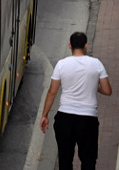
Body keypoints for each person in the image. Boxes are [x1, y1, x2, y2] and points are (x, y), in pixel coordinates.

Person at [40, 31, 112, 170]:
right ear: (86, 45)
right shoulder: (96, 64)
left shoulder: (61, 65)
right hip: (88, 119)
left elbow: (52, 92)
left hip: (65, 118)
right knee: (88, 160)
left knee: (65, 160)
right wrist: (93, 86)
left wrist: (45, 115)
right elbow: (108, 90)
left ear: (69, 46)